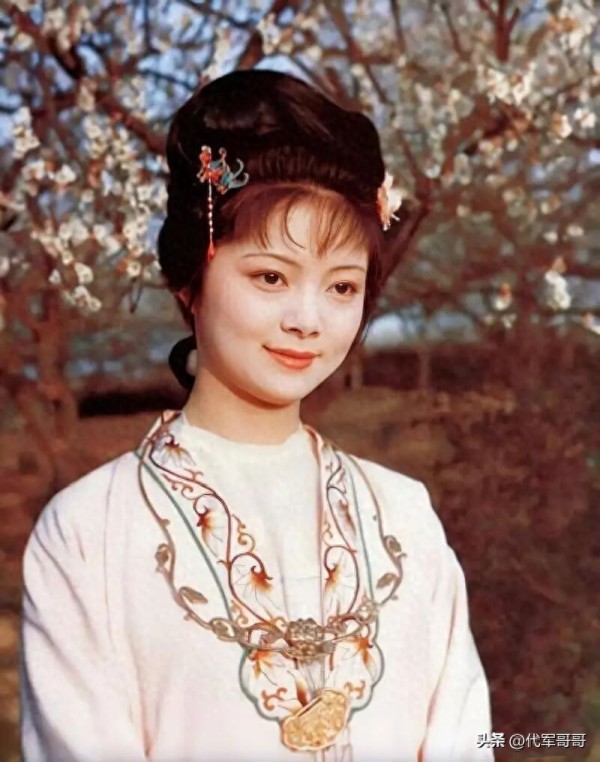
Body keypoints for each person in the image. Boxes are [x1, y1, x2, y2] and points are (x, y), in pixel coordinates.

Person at [20, 69, 493, 761]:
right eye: (270, 277)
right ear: (191, 281)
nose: (307, 319)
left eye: (342, 287)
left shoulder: (404, 517)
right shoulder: (91, 531)